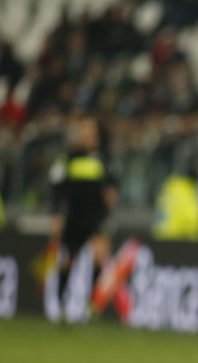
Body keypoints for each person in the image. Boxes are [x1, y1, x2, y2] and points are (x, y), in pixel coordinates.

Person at [48, 116, 118, 321]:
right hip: (74, 215)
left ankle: (89, 304)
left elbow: (112, 185)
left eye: (88, 129)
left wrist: (111, 195)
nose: (85, 133)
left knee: (100, 256)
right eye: (83, 129)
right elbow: (57, 187)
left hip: (96, 216)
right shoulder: (69, 157)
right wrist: (56, 215)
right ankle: (61, 301)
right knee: (69, 259)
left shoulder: (104, 159)